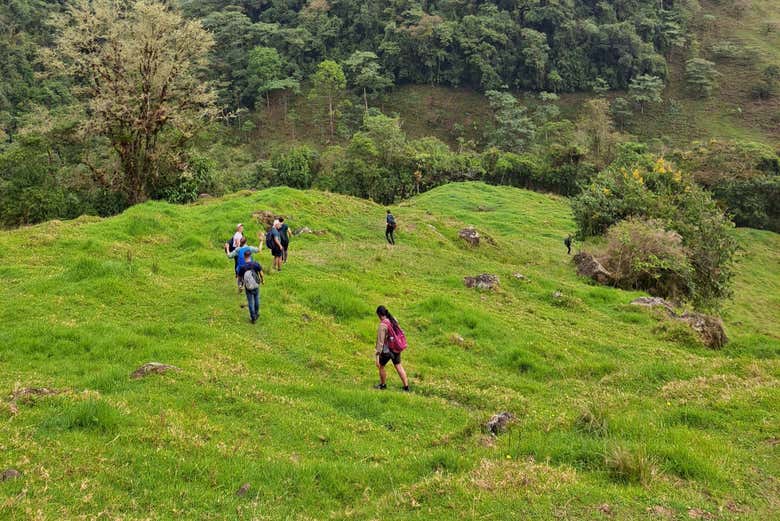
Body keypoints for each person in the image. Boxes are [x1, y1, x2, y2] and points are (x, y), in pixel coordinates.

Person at [374, 305, 409, 391]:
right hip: (396, 348)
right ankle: (406, 387)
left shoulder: (383, 325)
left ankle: (383, 385)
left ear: (379, 315)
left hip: (387, 350)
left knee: (381, 366)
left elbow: (380, 342)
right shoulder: (393, 319)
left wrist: (377, 355)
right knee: (399, 366)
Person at [237, 250, 264, 323]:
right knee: (257, 300)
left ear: (244, 256)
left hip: (248, 287)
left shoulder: (243, 267)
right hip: (256, 285)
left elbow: (240, 278)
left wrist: (240, 286)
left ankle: (253, 318)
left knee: (250, 302)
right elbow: (261, 273)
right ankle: (256, 313)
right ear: (250, 256)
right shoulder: (256, 264)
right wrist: (262, 280)